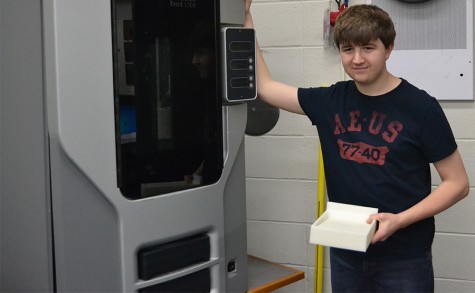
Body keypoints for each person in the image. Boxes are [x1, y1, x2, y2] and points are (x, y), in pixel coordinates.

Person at [244, 1, 470, 292]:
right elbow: (264, 87)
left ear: (388, 49)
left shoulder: (421, 108)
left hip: (404, 258)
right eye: (348, 49)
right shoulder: (330, 101)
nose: (357, 59)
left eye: (368, 48)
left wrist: (400, 220)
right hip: (346, 253)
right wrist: (247, 16)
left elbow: (458, 183)